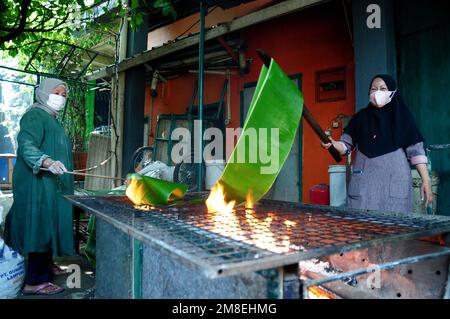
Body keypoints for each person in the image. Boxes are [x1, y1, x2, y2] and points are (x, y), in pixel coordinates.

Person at [322, 74, 433, 213]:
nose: (377, 93)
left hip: (394, 185)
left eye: (382, 88)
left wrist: (426, 180)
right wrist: (333, 144)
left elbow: (416, 152)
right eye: (373, 89)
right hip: (364, 185)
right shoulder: (360, 118)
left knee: (394, 227)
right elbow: (345, 145)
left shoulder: (402, 117)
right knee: (362, 226)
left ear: (392, 92)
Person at [4, 78, 74, 295]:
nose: (60, 97)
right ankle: (35, 281)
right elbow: (26, 146)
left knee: (49, 223)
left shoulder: (52, 118)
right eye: (56, 92)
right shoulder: (35, 115)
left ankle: (46, 264)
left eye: (64, 94)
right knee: (39, 226)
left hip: (51, 184)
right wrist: (46, 161)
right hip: (37, 184)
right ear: (44, 92)